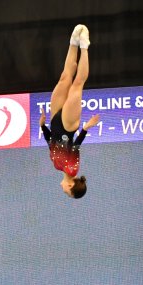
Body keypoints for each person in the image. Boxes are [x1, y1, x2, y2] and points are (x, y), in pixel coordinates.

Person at [40, 24, 100, 199]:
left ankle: (73, 42)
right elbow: (75, 146)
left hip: (54, 121)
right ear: (71, 185)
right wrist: (86, 128)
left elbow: (51, 142)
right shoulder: (72, 168)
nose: (64, 191)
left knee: (65, 77)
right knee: (77, 85)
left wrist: (43, 126)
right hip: (68, 125)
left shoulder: (58, 166)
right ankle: (84, 46)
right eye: (68, 193)